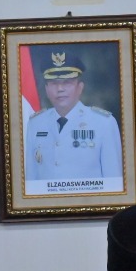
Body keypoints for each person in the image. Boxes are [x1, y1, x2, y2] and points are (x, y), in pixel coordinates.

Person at [23, 52, 123, 189]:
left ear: (80, 87)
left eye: (67, 83)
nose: (60, 89)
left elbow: (114, 182)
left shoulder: (104, 123)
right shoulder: (35, 123)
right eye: (54, 83)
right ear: (46, 89)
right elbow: (31, 181)